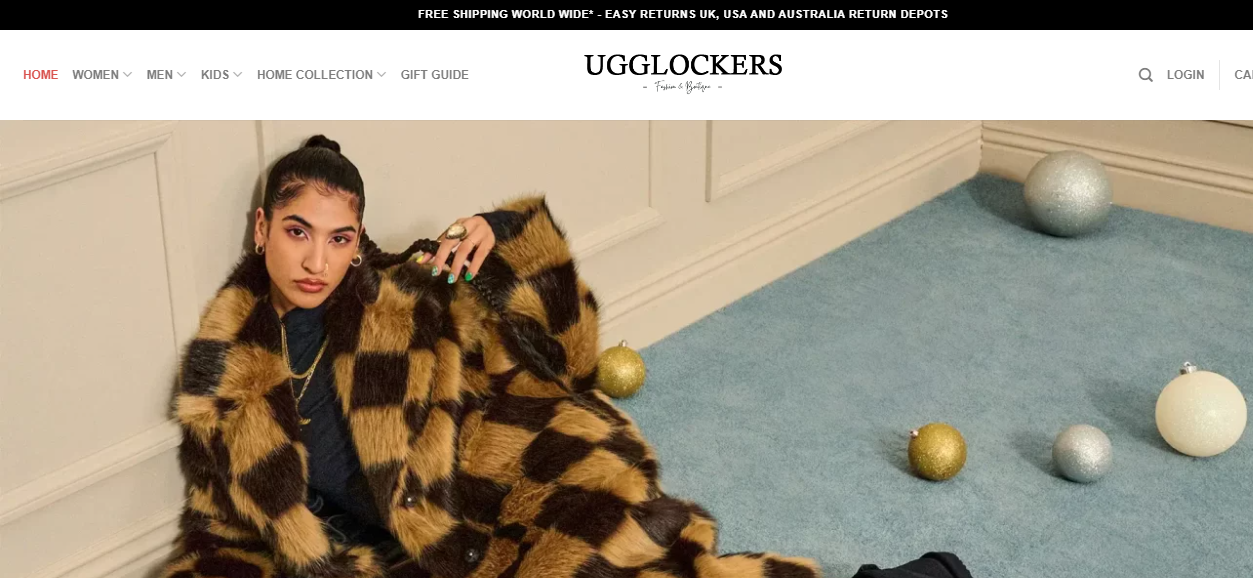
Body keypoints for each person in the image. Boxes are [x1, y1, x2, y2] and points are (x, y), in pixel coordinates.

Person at [156, 134, 827, 578]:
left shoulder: (404, 294)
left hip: (511, 471)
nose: (315, 261)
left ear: (358, 241)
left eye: (338, 239)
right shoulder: (221, 381)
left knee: (620, 556)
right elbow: (223, 526)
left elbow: (572, 352)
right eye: (298, 232)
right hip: (429, 544)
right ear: (262, 228)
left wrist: (500, 232)